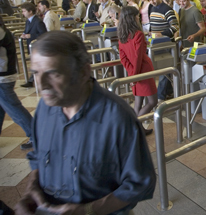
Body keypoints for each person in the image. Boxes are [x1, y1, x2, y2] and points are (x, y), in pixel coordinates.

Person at [15, 31, 156, 215]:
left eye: (53, 73)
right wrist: (31, 190)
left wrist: (87, 210)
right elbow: (38, 157)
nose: (41, 85)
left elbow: (139, 183)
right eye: (36, 73)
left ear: (83, 72)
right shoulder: (45, 108)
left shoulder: (117, 118)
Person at [118, 6, 158, 134]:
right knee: (152, 101)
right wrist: (134, 77)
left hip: (134, 73)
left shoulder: (122, 36)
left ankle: (138, 129)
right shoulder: (138, 34)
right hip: (143, 72)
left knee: (138, 102)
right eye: (137, 16)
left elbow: (124, 58)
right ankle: (134, 125)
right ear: (132, 18)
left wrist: (131, 74)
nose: (138, 18)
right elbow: (138, 57)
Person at [0, 15, 34, 150]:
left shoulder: (1, 31)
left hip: (3, 77)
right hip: (4, 75)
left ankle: (36, 136)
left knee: (14, 109)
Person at [20, 2, 47, 88]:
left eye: (24, 11)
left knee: (38, 64)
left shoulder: (38, 21)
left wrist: (31, 36)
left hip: (37, 46)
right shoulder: (28, 21)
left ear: (30, 11)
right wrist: (23, 35)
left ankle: (32, 81)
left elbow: (43, 34)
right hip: (31, 45)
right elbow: (26, 31)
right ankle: (32, 80)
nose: (22, 13)